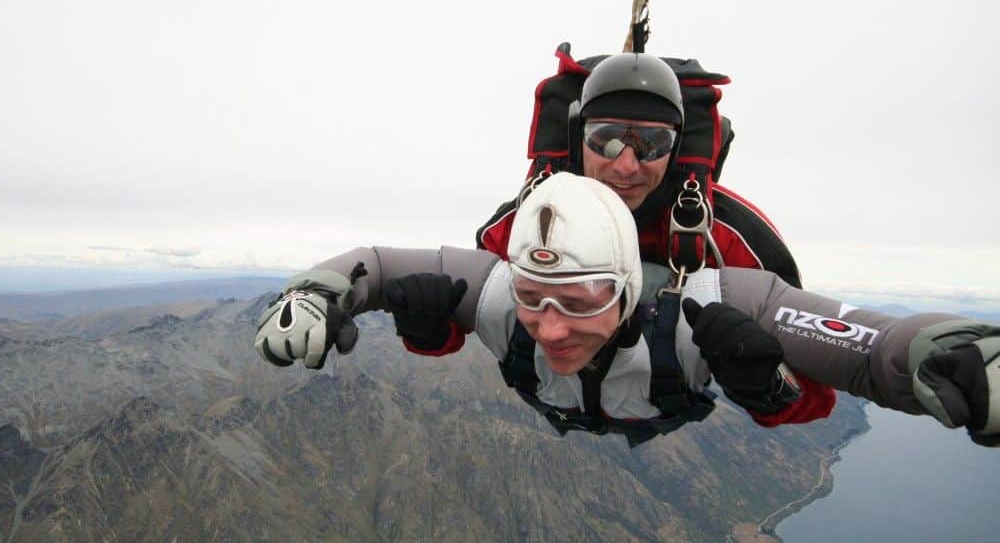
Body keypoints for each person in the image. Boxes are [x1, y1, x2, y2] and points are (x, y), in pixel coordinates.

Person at [254, 173, 1000, 448]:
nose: (546, 329)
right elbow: (375, 267)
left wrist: (951, 355)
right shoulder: (492, 295)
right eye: (531, 298)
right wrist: (313, 294)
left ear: (626, 290)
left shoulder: (711, 304)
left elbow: (868, 349)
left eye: (578, 303)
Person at [476, 51, 833, 426]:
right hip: (558, 387)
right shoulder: (531, 221)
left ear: (676, 148)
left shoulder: (728, 236)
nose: (626, 164)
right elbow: (473, 299)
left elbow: (815, 395)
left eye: (652, 143)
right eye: (605, 140)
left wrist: (764, 387)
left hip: (666, 399)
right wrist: (430, 327)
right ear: (576, 138)